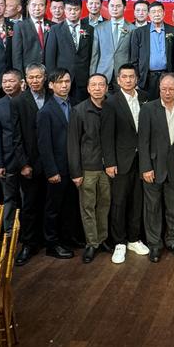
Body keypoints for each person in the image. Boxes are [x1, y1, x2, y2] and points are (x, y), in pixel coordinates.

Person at [137, 73, 174, 263]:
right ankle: (155, 245)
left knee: (173, 207)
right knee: (153, 208)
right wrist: (145, 167)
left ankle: (173, 241)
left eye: (171, 89)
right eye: (164, 89)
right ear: (159, 89)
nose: (167, 92)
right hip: (153, 167)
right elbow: (143, 141)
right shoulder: (148, 109)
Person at [101, 64, 149, 263]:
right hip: (120, 161)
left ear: (136, 79)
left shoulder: (145, 97)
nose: (128, 80)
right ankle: (119, 242)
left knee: (137, 201)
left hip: (142, 159)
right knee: (119, 202)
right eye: (124, 77)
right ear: (118, 80)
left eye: (131, 76)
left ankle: (133, 239)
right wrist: (109, 162)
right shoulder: (111, 102)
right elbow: (106, 135)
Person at [37, 69, 80, 259]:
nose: (64, 85)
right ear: (51, 85)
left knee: (70, 206)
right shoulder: (46, 111)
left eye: (67, 81)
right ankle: (52, 245)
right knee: (53, 209)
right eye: (60, 82)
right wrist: (51, 171)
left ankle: (68, 238)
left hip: (73, 166)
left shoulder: (74, 105)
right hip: (56, 168)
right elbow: (44, 145)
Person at [67, 73, 110, 263]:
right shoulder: (79, 110)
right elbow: (73, 143)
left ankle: (102, 239)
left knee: (104, 205)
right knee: (88, 207)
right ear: (88, 88)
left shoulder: (111, 108)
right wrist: (76, 172)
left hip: (107, 168)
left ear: (106, 88)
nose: (98, 88)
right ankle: (92, 243)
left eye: (101, 85)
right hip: (87, 168)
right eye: (94, 85)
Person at [13, 64, 47, 266]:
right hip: (29, 163)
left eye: (38, 77)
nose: (35, 80)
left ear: (44, 77)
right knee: (29, 205)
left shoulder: (52, 97)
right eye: (31, 77)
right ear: (26, 79)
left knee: (48, 203)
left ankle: (47, 240)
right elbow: (15, 136)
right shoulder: (18, 101)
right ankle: (28, 244)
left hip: (50, 162)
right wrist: (23, 164)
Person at [0, 69, 25, 229]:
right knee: (9, 198)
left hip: (28, 159)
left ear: (21, 83)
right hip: (8, 161)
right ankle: (9, 231)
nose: (7, 85)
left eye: (11, 81)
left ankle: (28, 232)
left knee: (29, 198)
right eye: (4, 82)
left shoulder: (28, 101)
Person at [44, 0, 96, 104]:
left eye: (76, 9)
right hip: (61, 78)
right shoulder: (55, 29)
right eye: (69, 9)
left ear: (81, 10)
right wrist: (52, 78)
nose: (73, 12)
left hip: (83, 77)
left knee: (82, 107)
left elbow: (92, 54)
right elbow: (50, 56)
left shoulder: (89, 29)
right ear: (64, 10)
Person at [129, 0, 174, 99]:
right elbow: (134, 59)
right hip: (146, 78)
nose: (156, 14)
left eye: (159, 11)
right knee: (147, 105)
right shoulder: (139, 32)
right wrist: (137, 79)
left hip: (167, 76)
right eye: (153, 12)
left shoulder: (173, 31)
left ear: (164, 13)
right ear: (149, 14)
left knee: (166, 103)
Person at [92, 0, 133, 83]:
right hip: (103, 73)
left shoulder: (133, 29)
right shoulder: (99, 28)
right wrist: (92, 76)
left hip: (124, 75)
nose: (115, 9)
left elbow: (134, 56)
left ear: (124, 8)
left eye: (118, 6)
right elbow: (95, 55)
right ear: (108, 7)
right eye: (112, 6)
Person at [11, 0, 49, 72]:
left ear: (46, 8)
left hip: (49, 70)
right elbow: (16, 54)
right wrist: (20, 75)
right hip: (29, 71)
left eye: (41, 5)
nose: (37, 8)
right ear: (28, 7)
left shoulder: (53, 26)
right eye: (34, 5)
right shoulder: (20, 26)